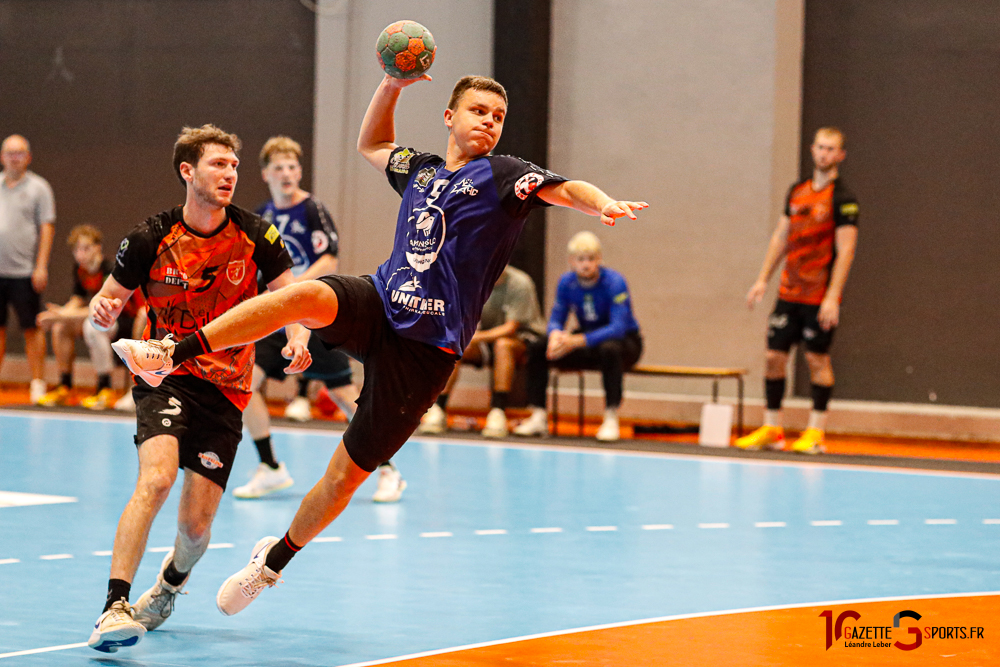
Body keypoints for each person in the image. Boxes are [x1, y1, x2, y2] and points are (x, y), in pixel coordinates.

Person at [111, 74, 646, 617]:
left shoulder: (505, 175)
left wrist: (601, 204)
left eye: (497, 116)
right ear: (449, 116)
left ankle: (271, 562)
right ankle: (171, 353)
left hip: (426, 353)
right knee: (305, 296)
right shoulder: (422, 170)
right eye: (478, 111)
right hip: (381, 304)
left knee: (345, 478)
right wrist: (391, 83)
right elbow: (371, 143)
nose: (489, 121)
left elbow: (566, 187)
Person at [85, 125, 306, 653]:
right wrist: (103, 308)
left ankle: (167, 588)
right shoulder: (149, 238)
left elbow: (291, 297)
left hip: (228, 389)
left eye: (234, 166)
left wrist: (298, 334)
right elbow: (108, 298)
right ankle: (114, 607)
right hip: (165, 375)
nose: (230, 174)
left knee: (195, 528)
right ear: (188, 171)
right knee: (156, 481)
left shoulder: (257, 236)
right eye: (218, 165)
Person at [233, 136, 405, 503]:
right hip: (278, 314)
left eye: (292, 167)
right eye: (278, 168)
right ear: (266, 174)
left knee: (344, 396)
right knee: (245, 384)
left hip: (312, 313)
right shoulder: (264, 214)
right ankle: (270, 468)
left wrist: (292, 291)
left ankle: (388, 469)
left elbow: (330, 261)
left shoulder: (313, 210)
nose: (286, 174)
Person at [735, 126, 859, 455]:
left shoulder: (843, 199)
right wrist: (763, 278)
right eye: (820, 147)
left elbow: (846, 250)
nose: (824, 154)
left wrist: (832, 297)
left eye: (831, 149)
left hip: (818, 297)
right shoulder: (797, 192)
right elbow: (781, 237)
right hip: (789, 293)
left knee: (817, 359)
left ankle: (815, 432)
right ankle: (772, 429)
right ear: (812, 149)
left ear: (840, 156)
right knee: (774, 357)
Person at [514, 231, 642, 442]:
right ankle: (538, 414)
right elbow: (556, 317)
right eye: (580, 260)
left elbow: (618, 327)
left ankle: (611, 416)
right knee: (538, 347)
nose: (586, 265)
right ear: (572, 262)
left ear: (599, 259)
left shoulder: (615, 282)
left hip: (624, 341)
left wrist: (577, 341)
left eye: (591, 259)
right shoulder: (566, 282)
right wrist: (555, 335)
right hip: (587, 339)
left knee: (610, 349)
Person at [417, 264, 546, 438]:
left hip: (523, 341)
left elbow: (510, 328)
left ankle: (498, 411)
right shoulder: (473, 282)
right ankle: (438, 408)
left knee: (503, 345)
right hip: (487, 337)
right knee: (456, 345)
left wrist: (475, 337)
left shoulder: (520, 283)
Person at [35, 225, 146, 409]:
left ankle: (105, 388)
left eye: (86, 248)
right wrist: (60, 314)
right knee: (61, 328)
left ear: (97, 247)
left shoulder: (111, 269)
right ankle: (66, 386)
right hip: (106, 321)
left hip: (127, 321)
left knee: (92, 325)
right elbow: (77, 301)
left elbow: (102, 308)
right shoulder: (80, 270)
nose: (81, 254)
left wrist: (61, 316)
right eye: (77, 250)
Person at [0, 134, 55, 404]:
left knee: (32, 328)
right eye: (10, 153)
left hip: (25, 272)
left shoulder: (39, 188)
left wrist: (40, 266)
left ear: (28, 157)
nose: (14, 158)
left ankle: (37, 383)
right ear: (2, 156)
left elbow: (46, 228)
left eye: (19, 153)